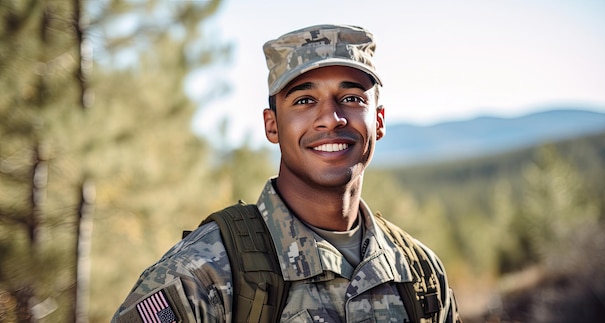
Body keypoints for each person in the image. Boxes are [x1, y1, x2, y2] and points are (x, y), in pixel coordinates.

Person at [112, 24, 461, 323]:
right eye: (304, 101)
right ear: (272, 125)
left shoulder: (421, 274)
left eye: (352, 98)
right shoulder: (205, 274)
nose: (332, 117)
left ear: (379, 121)